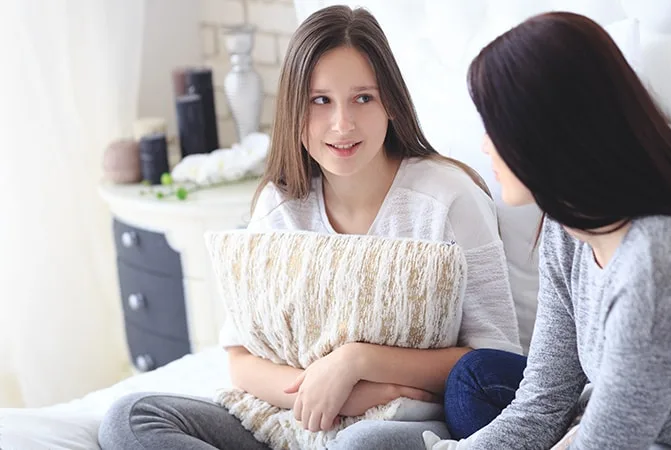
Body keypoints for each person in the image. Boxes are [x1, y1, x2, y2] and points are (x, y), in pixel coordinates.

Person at [97, 5, 522, 450]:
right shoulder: (278, 204)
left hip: (399, 421)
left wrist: (357, 362)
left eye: (363, 97)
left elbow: (494, 359)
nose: (342, 124)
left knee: (360, 446)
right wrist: (336, 391)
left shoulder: (448, 198)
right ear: (294, 109)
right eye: (321, 101)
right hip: (288, 418)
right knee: (131, 418)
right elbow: (240, 358)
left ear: (392, 103)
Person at [426, 11, 671, 450]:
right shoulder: (567, 228)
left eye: (496, 124)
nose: (486, 144)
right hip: (640, 430)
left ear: (547, 131)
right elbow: (541, 407)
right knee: (428, 407)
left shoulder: (662, 261)